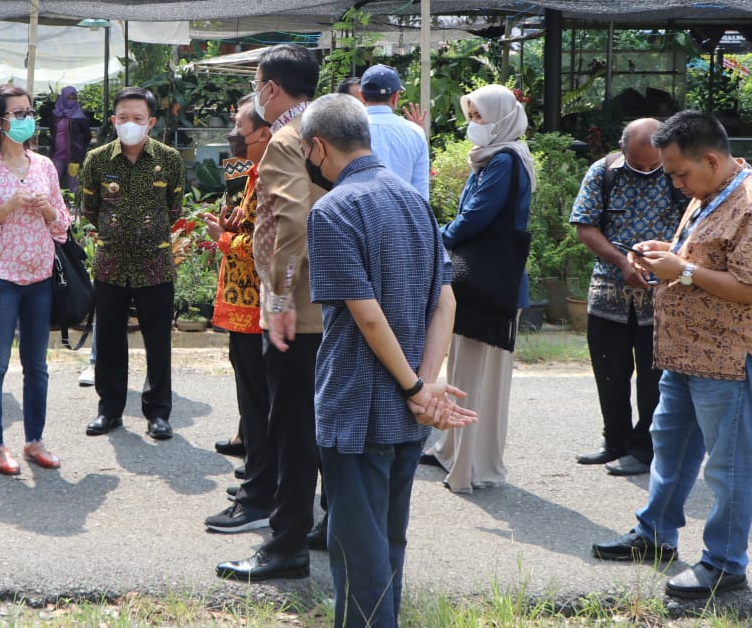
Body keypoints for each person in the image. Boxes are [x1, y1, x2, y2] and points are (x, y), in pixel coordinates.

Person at [592, 111, 752, 600]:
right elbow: (708, 257)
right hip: (688, 353)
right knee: (670, 447)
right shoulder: (712, 191)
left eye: (680, 174)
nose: (677, 184)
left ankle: (725, 565)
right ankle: (654, 535)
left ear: (711, 158)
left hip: (732, 359)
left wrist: (680, 270)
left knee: (727, 468)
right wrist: (671, 251)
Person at [301, 94, 474, 628]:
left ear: (317, 147)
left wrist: (414, 388)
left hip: (358, 401)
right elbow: (445, 299)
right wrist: (423, 383)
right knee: (388, 540)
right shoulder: (413, 199)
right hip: (406, 411)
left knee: (357, 551)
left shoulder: (332, 210)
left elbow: (367, 316)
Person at [216, 44, 326, 582]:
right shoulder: (334, 127)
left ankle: (286, 547)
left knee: (292, 427)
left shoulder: (286, 138)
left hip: (298, 308)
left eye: (257, 84)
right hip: (338, 301)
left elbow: (290, 221)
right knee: (324, 423)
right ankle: (330, 524)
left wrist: (279, 298)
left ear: (272, 89)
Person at [423, 84, 534, 494]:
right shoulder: (498, 157)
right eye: (469, 117)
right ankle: (454, 451)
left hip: (489, 283)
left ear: (501, 118)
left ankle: (472, 465)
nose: (473, 126)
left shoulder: (505, 160)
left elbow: (474, 219)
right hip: (483, 279)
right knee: (468, 372)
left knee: (476, 376)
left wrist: (431, 234)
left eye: (478, 117)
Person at [0, 84, 70, 475]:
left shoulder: (42, 166)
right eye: (17, 113)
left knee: (37, 365)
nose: (25, 119)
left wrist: (47, 211)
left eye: (28, 112)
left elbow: (63, 224)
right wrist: (7, 207)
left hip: (39, 277)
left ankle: (34, 441)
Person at [568, 118, 684, 476]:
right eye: (640, 163)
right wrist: (621, 261)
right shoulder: (602, 173)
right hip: (608, 290)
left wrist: (665, 258)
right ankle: (614, 441)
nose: (649, 169)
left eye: (655, 163)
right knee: (610, 372)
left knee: (654, 379)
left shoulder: (679, 175)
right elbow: (584, 224)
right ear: (622, 149)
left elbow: (696, 227)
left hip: (663, 295)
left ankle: (645, 449)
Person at [80, 86, 186, 441]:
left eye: (137, 118)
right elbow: (90, 209)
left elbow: (174, 208)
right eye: (123, 118)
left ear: (151, 122)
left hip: (155, 262)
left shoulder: (169, 159)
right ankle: (109, 409)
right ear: (113, 120)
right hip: (111, 263)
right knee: (109, 340)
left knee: (157, 341)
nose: (129, 124)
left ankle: (158, 413)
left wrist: (147, 233)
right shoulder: (97, 160)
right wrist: (116, 231)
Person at [202, 96, 275, 534]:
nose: (234, 135)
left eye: (239, 128)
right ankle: (258, 476)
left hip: (256, 308)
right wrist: (230, 228)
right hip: (240, 305)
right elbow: (250, 230)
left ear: (263, 134)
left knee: (259, 398)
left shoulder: (270, 174)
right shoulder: (249, 174)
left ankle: (262, 485)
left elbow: (266, 246)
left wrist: (223, 239)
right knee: (251, 397)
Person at [359, 64, 430, 200]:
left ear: (361, 96)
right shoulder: (415, 132)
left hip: (359, 216)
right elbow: (421, 190)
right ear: (395, 97)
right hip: (403, 217)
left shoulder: (348, 129)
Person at [44, 85, 93, 192]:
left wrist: (80, 148)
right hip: (57, 155)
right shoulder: (55, 115)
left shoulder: (79, 116)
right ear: (63, 98)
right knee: (52, 182)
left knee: (74, 186)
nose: (71, 101)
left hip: (74, 157)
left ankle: (73, 208)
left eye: (73, 98)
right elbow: (53, 132)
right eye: (68, 98)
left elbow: (88, 135)